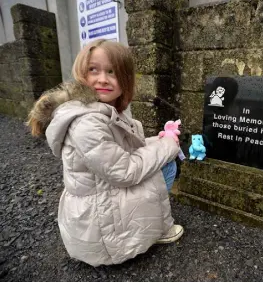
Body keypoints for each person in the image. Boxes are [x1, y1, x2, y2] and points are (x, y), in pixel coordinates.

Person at [27, 39, 184, 267]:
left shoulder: (95, 110)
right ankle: (154, 229)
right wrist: (168, 146)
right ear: (82, 72)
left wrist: (158, 140)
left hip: (100, 204)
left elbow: (126, 149)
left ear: (125, 80)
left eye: (112, 72)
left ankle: (151, 224)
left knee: (161, 158)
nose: (102, 79)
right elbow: (124, 171)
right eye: (94, 70)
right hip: (101, 228)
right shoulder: (87, 123)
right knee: (163, 166)